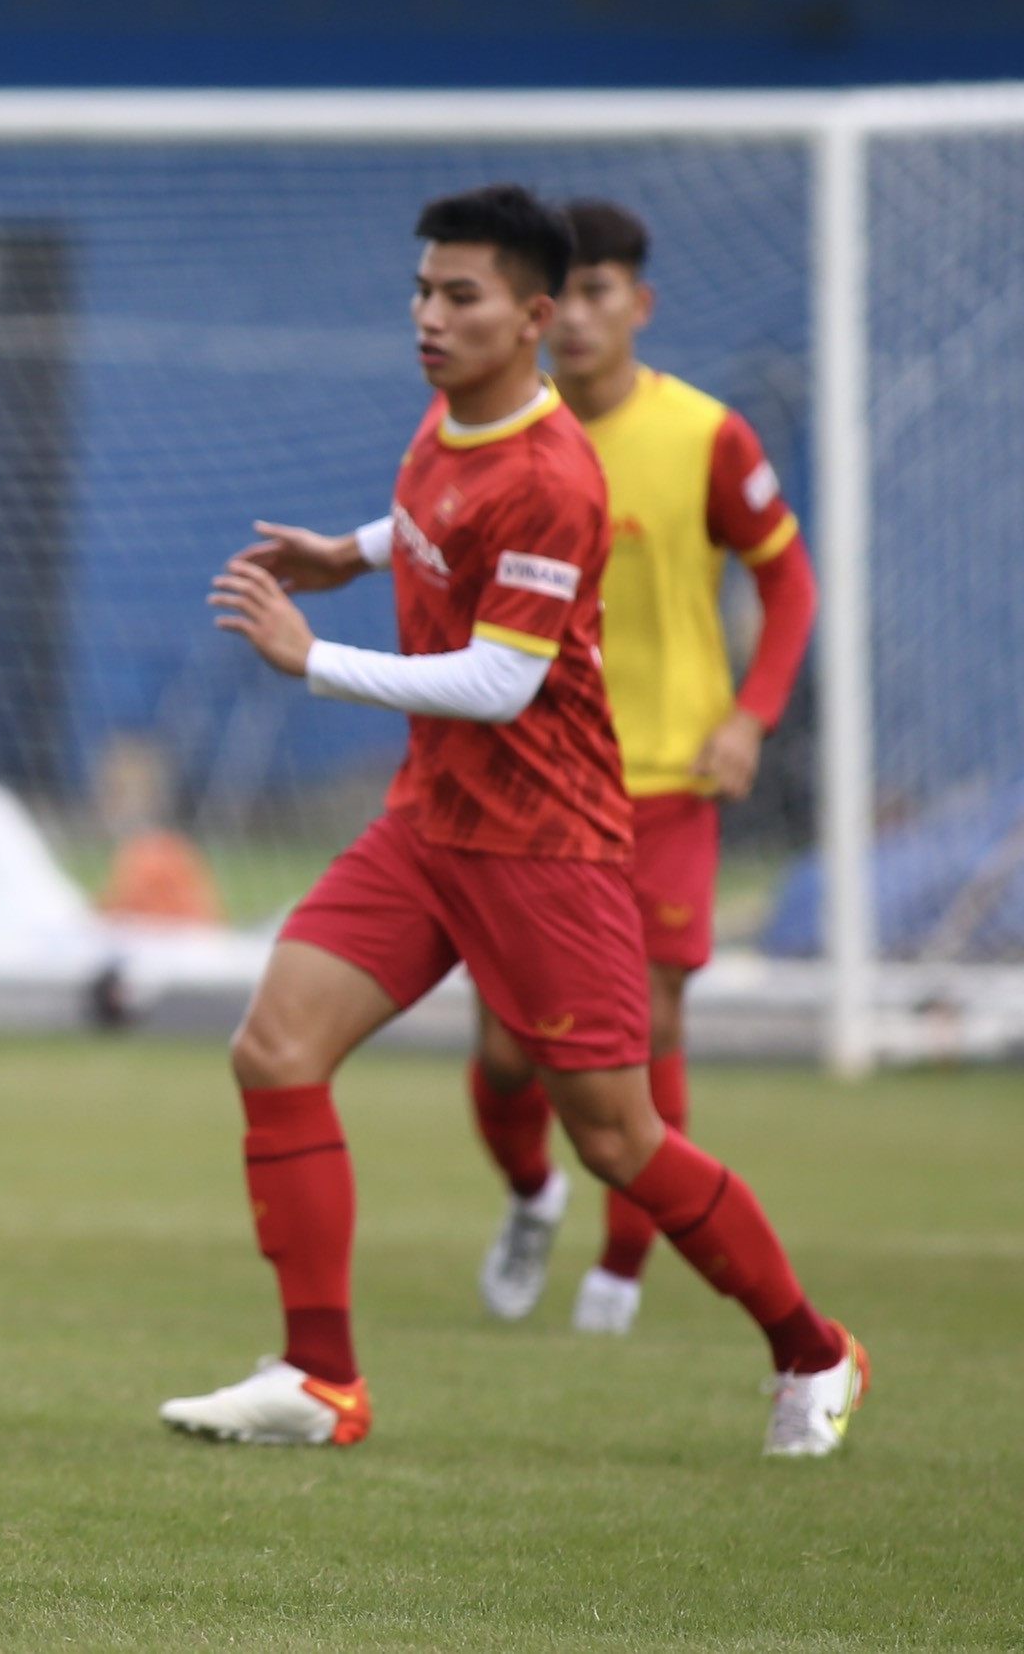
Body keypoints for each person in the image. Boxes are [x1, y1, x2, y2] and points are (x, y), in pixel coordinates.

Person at [172, 185, 865, 1458]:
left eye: (460, 297)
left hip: (545, 848)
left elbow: (504, 679)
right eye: (423, 293)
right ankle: (319, 1379)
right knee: (274, 1048)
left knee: (619, 1136)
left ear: (535, 317)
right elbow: (442, 520)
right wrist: (356, 548)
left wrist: (311, 655)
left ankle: (813, 1348)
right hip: (429, 824)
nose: (428, 318)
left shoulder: (557, 476)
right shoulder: (450, 424)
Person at [469, 199, 819, 1335]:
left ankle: (622, 1262)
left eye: (597, 293)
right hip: (530, 782)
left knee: (646, 1027)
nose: (574, 318)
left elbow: (788, 583)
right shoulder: (503, 432)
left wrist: (751, 715)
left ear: (638, 304)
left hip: (664, 778)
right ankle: (531, 1195)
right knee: (507, 1049)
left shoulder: (706, 436)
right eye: (557, 296)